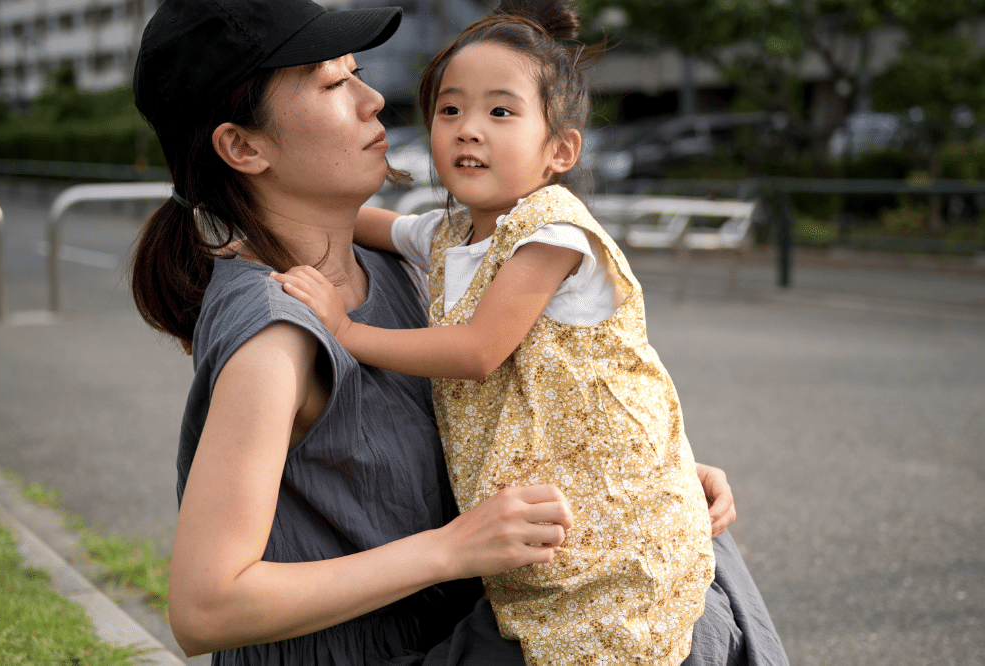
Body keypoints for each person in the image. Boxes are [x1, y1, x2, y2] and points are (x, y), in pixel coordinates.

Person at [129, 0, 786, 664]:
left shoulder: (401, 268)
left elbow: (506, 409)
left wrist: (638, 473)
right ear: (242, 145)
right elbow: (204, 608)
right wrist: (453, 548)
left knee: (701, 578)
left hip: (471, 626)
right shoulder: (278, 334)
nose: (373, 98)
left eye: (358, 72)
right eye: (334, 84)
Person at [271, 2, 713, 664]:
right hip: (541, 531)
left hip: (618, 531)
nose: (468, 130)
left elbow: (478, 351)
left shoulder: (553, 233)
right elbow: (366, 221)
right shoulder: (448, 233)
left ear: (559, 149)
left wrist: (346, 332)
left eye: (500, 113)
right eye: (450, 111)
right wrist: (269, 205)